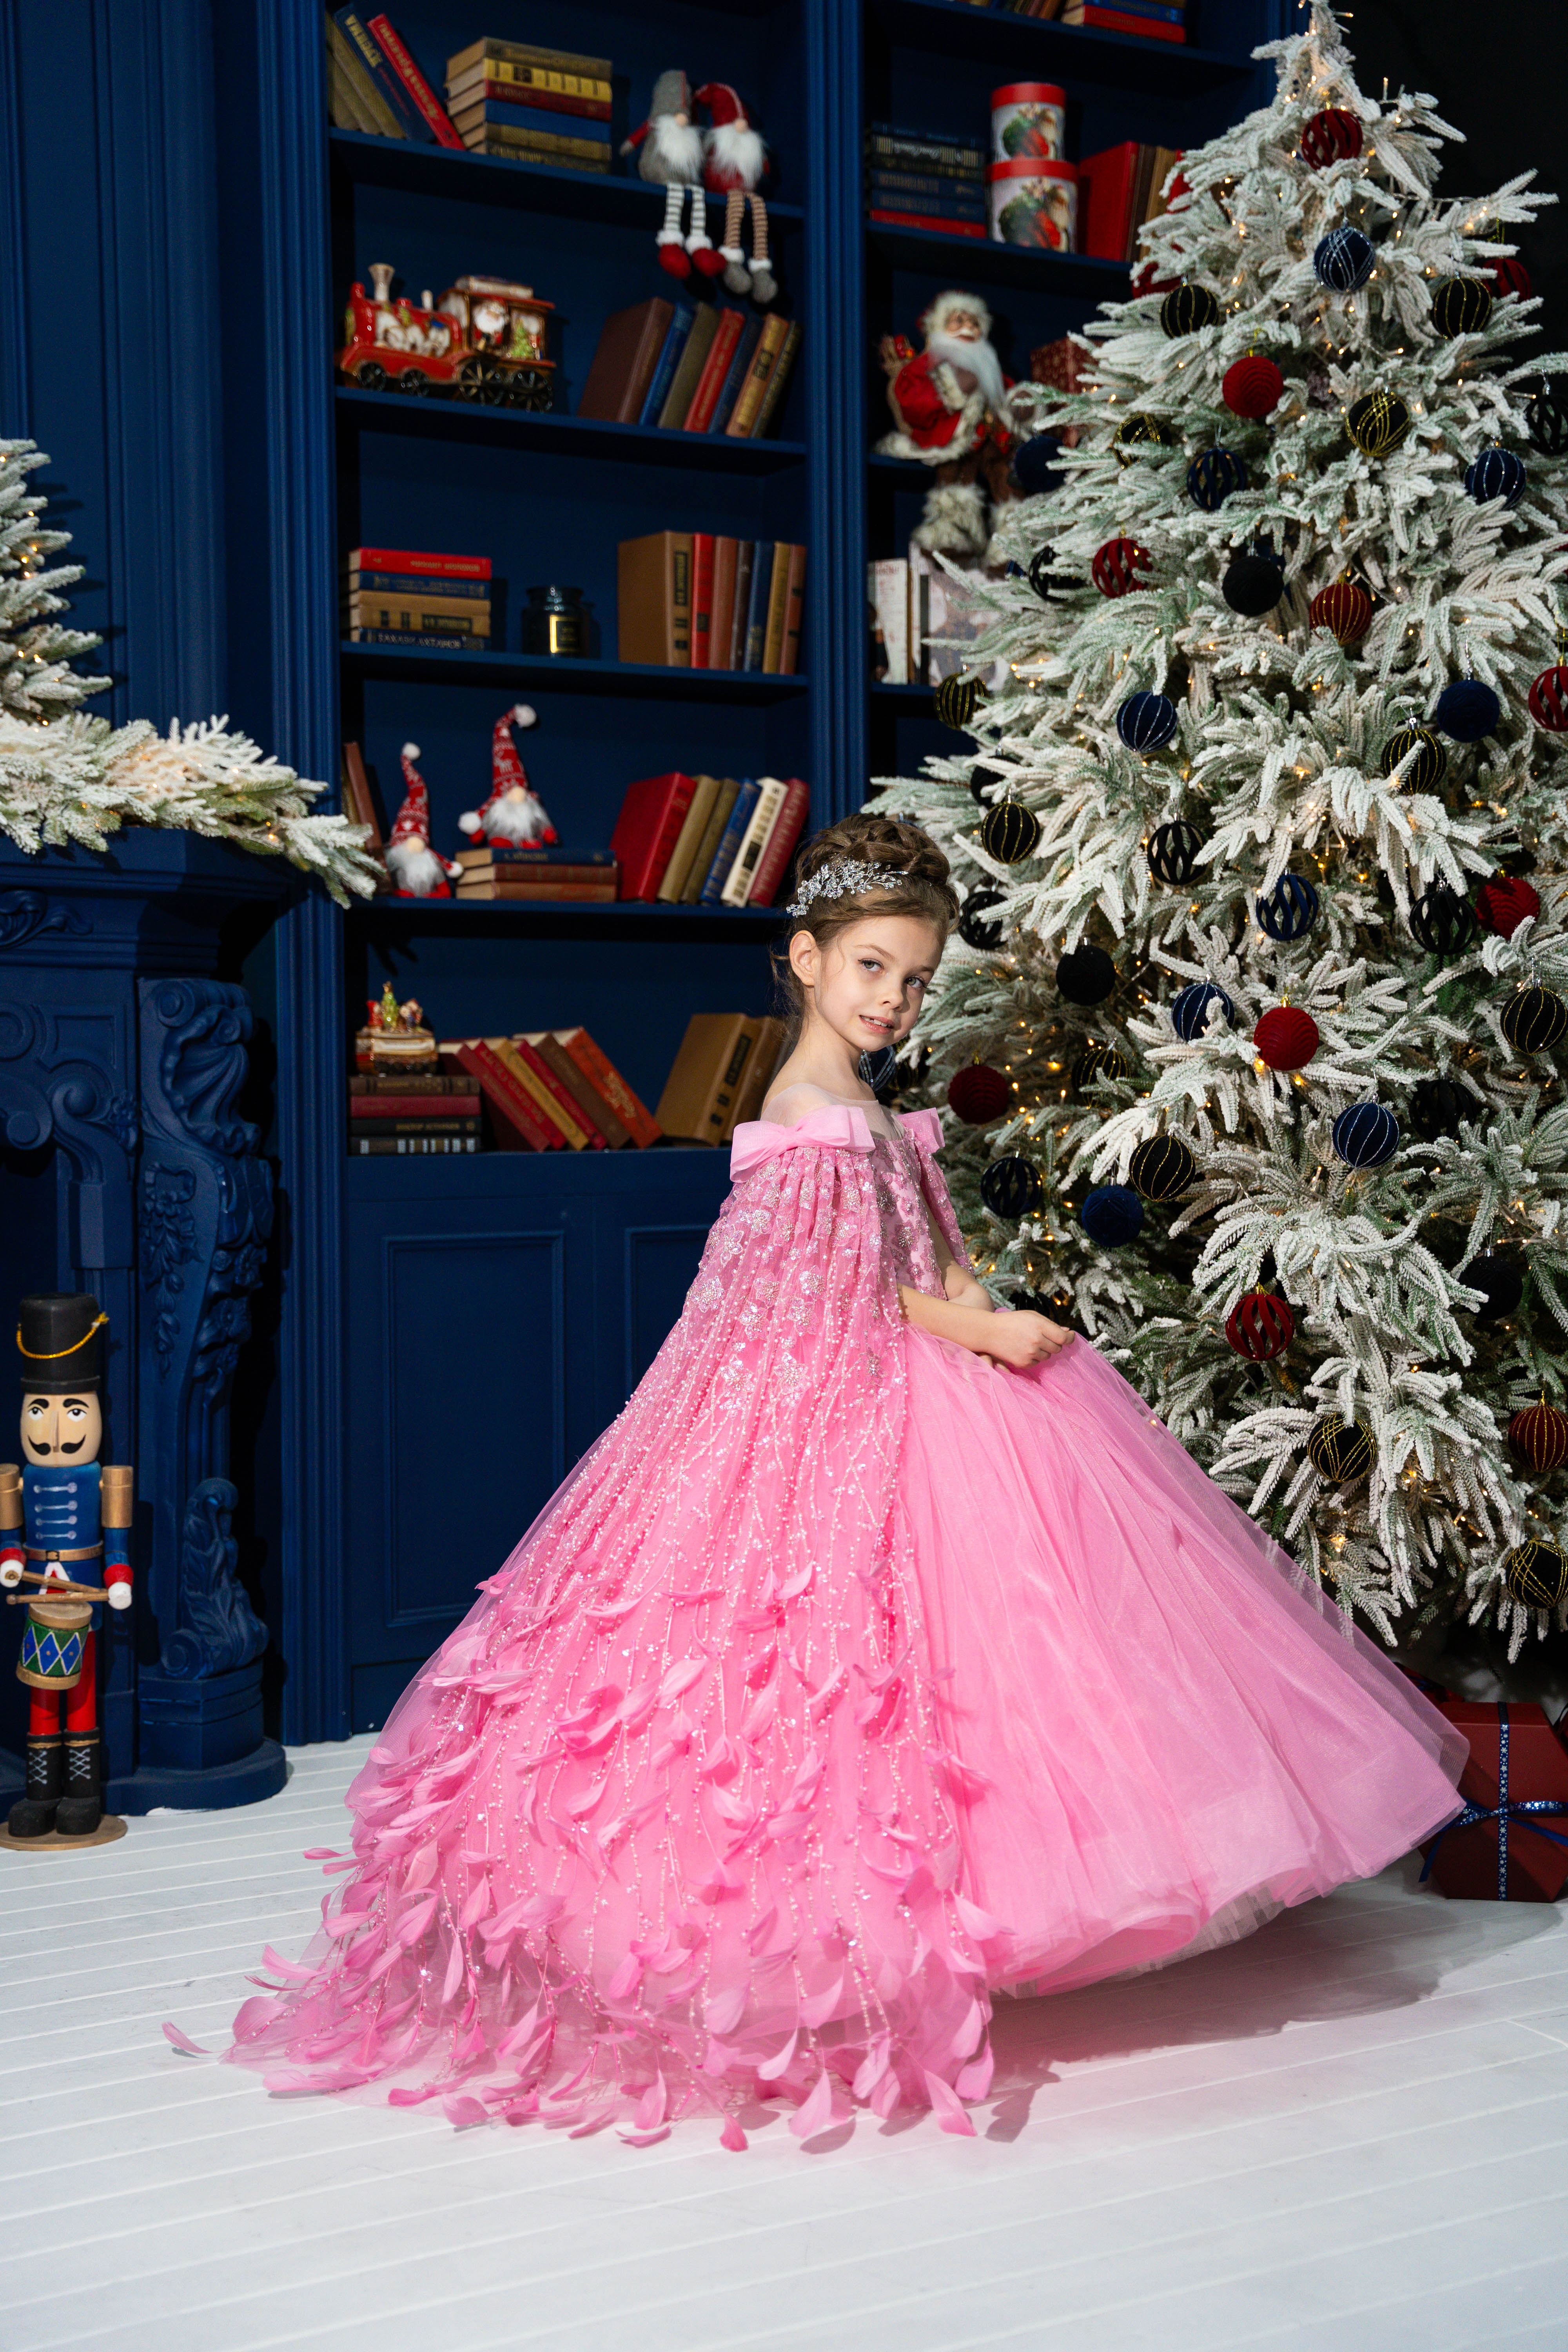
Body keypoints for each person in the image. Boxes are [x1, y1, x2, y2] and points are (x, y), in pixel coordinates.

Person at [214, 813, 1466, 2148]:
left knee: (1023, 1647)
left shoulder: (870, 1112)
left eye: (916, 980)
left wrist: (983, 1306)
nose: (895, 1000)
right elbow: (828, 1302)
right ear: (805, 959)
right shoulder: (806, 1119)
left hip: (932, 1380)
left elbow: (929, 1252)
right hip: (835, 1400)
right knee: (824, 1663)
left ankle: (1008, 1906)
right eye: (872, 968)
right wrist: (976, 1328)